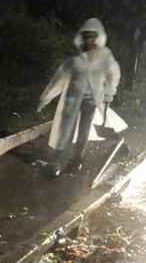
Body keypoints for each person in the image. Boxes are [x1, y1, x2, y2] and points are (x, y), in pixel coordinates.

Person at [36, 18, 122, 175]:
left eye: (93, 38)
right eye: (87, 38)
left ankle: (77, 162)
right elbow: (58, 80)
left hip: (90, 100)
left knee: (84, 131)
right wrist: (46, 98)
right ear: (83, 40)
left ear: (98, 39)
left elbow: (113, 74)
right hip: (72, 100)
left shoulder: (104, 58)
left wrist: (110, 91)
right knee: (65, 131)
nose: (90, 41)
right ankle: (57, 163)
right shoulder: (75, 61)